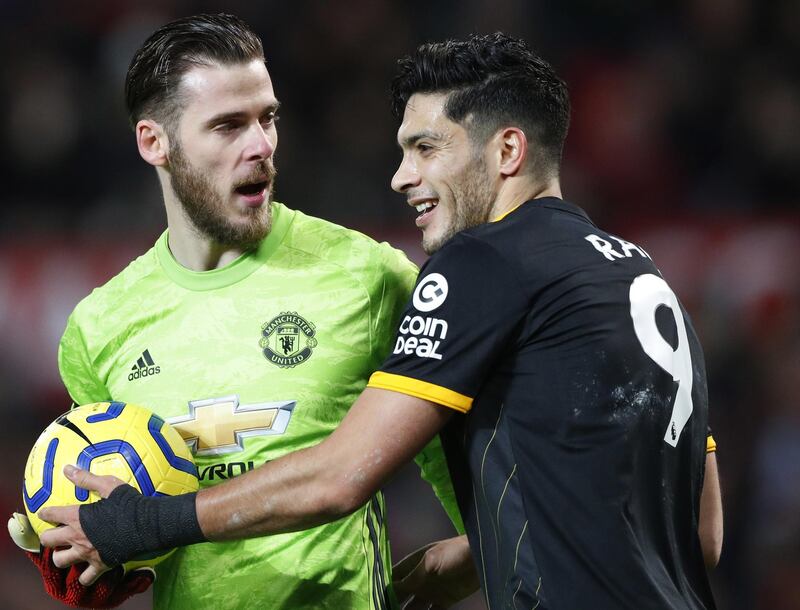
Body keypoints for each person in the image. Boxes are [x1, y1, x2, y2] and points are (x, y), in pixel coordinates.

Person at [38, 32, 723, 609]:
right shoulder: (642, 275)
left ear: (506, 152)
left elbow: (339, 477)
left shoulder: (454, 269)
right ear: (153, 142)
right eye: (229, 124)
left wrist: (141, 523)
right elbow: (703, 534)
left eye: (426, 149)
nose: (400, 176)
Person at [11, 13, 466, 610]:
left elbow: (473, 475)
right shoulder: (99, 327)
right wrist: (90, 557)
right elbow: (122, 526)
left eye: (267, 118)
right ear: (155, 142)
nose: (261, 146)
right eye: (228, 125)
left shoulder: (369, 279)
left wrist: (478, 556)